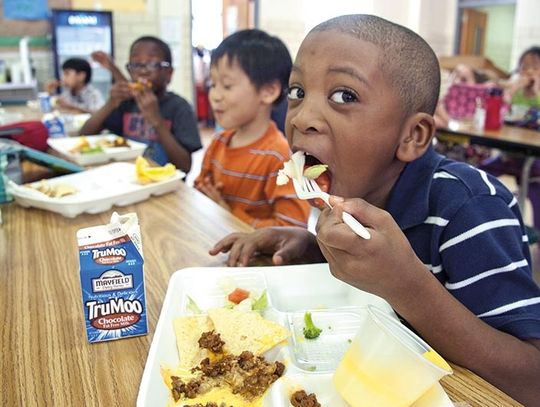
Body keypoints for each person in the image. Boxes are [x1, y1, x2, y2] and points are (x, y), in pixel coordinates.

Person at [208, 15, 540, 405]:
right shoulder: (355, 189)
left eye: (344, 96)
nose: (302, 117)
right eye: (297, 91)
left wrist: (407, 287)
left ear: (412, 136)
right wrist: (311, 246)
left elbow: (531, 380)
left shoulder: (471, 207)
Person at [194, 29, 310, 229]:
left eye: (227, 86)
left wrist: (227, 213)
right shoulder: (218, 142)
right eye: (213, 84)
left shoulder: (279, 158)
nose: (215, 95)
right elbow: (200, 191)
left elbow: (292, 229)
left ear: (268, 91)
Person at [80, 36, 201, 172]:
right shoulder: (126, 103)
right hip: (128, 178)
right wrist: (110, 104)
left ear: (169, 73)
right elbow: (84, 134)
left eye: (152, 64)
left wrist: (157, 122)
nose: (143, 71)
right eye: (136, 65)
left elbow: (185, 166)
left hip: (165, 184)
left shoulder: (179, 107)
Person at [479, 46, 540, 229]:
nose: (528, 72)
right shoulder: (517, 93)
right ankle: (484, 219)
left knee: (536, 193)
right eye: (524, 67)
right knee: (481, 172)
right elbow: (503, 114)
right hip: (510, 155)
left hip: (535, 161)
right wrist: (512, 91)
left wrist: (536, 91)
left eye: (535, 67)